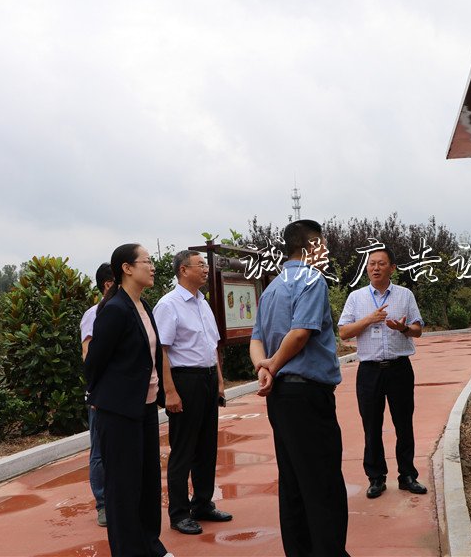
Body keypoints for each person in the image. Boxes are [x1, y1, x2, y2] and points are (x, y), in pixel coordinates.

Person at [250, 219, 349, 557]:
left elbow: (256, 341)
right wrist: (274, 366)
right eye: (322, 245)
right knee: (322, 482)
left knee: (293, 481)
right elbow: (300, 332)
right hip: (307, 394)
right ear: (309, 248)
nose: (326, 251)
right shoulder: (311, 279)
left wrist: (264, 368)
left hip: (280, 397)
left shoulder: (273, 288)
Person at [84, 244, 171, 557]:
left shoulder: (143, 305)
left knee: (147, 482)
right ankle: (128, 550)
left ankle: (150, 544)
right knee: (123, 488)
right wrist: (100, 396)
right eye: (146, 261)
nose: (152, 266)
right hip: (118, 411)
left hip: (144, 407)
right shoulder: (116, 309)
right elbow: (93, 362)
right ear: (127, 268)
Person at [338, 248, 427, 499]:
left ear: (392, 268)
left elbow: (418, 330)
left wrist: (403, 328)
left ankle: (408, 475)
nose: (375, 268)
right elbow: (344, 332)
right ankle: (376, 477)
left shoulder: (404, 295)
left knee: (404, 423)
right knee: (371, 426)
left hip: (399, 368)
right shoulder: (356, 298)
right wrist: (369, 319)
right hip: (369, 371)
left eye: (381, 263)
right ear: (367, 268)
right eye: (371, 264)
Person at [154, 250, 231, 535]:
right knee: (183, 449)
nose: (206, 270)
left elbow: (212, 346)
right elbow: (160, 351)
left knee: (207, 445)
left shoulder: (203, 303)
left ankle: (202, 503)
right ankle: (178, 513)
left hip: (208, 379)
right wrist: (170, 392)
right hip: (184, 380)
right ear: (183, 270)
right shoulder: (169, 304)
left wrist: (220, 382)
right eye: (201, 265)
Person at [80, 262, 114, 527]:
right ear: (108, 284)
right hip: (102, 397)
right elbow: (88, 356)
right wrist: (95, 393)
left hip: (125, 395)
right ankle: (103, 504)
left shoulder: (127, 309)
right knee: (100, 452)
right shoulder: (94, 314)